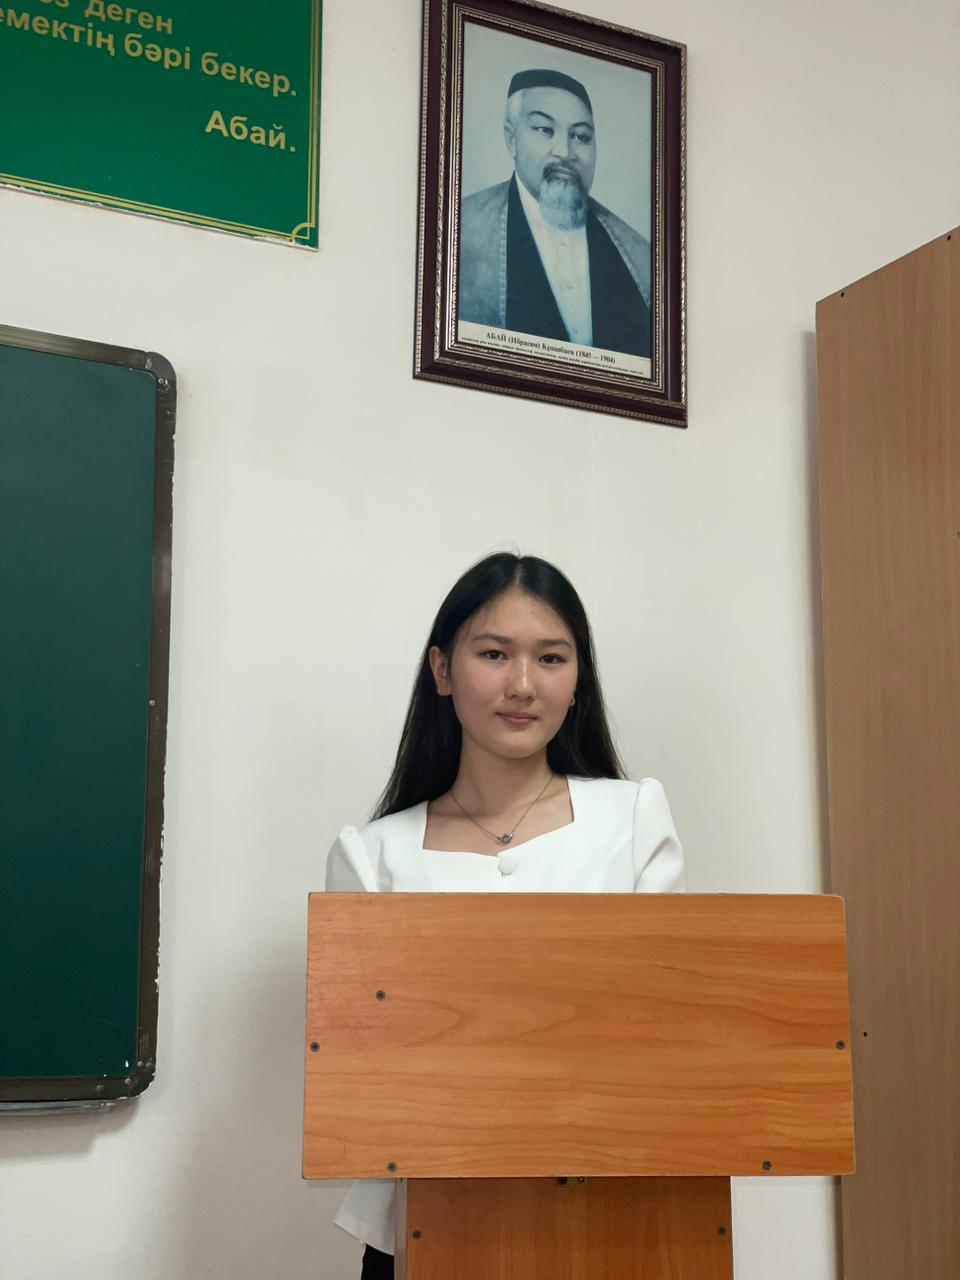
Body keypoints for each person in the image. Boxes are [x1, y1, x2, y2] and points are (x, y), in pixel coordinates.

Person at [324, 552, 685, 1279]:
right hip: (422, 1220)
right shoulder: (372, 854)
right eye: (494, 654)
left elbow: (665, 1029)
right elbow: (364, 1071)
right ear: (442, 669)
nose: (523, 685)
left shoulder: (633, 818)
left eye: (551, 658)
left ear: (578, 680)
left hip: (612, 1214)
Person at [458, 69, 652, 358]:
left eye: (581, 136)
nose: (564, 152)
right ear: (511, 139)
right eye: (544, 130)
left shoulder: (639, 255)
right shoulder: (461, 230)